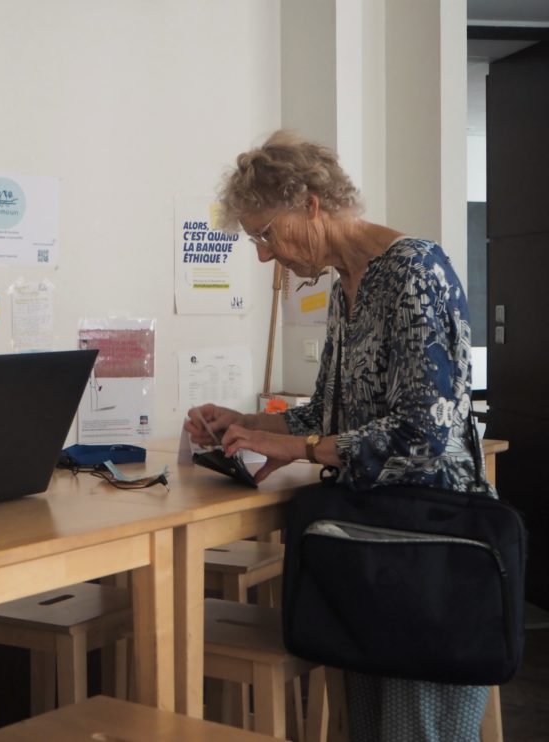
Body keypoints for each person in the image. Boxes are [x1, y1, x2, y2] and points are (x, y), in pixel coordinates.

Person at [185, 130, 491, 742]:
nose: (264, 255)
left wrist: (296, 449)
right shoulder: (341, 286)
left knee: (416, 732)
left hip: (427, 541)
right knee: (372, 729)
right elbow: (330, 415)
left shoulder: (415, 271)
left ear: (312, 204)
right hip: (369, 541)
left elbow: (425, 432)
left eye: (266, 233)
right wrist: (249, 425)